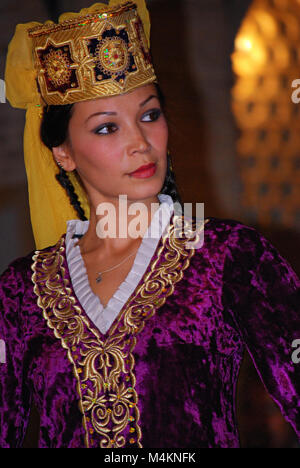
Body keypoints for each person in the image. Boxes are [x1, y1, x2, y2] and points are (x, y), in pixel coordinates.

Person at [0, 0, 299, 449]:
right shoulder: (21, 291)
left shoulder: (228, 256)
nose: (140, 143)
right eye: (106, 128)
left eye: (149, 115)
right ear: (63, 152)